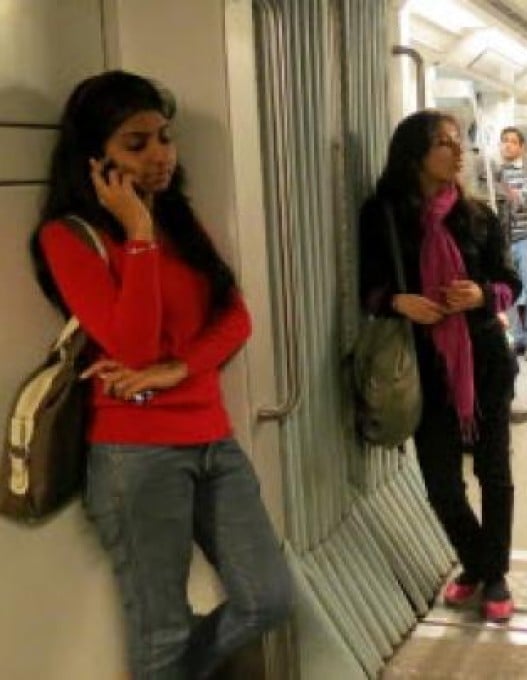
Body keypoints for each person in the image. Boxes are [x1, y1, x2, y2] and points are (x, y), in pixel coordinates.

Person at [29, 71, 292, 678]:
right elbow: (131, 344)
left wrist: (180, 370)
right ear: (95, 158)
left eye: (164, 138)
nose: (160, 157)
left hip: (212, 439)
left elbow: (238, 319)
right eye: (136, 143)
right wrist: (139, 235)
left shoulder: (180, 220)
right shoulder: (68, 237)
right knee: (163, 630)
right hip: (135, 456)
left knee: (268, 597)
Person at [358, 110, 521, 623]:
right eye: (445, 144)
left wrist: (481, 294)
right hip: (422, 364)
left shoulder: (477, 216)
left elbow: (510, 285)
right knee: (442, 485)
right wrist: (399, 302)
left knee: (495, 474)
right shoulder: (383, 214)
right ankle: (479, 561)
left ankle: (491, 575)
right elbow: (369, 288)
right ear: (415, 153)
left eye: (460, 144)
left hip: (485, 357)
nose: (458, 152)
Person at [495, 126, 527, 362]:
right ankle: (517, 337)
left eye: (513, 142)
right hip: (504, 239)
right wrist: (508, 192)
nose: (507, 145)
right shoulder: (494, 171)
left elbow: (521, 201)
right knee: (507, 292)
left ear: (522, 147)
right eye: (504, 141)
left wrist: (503, 192)